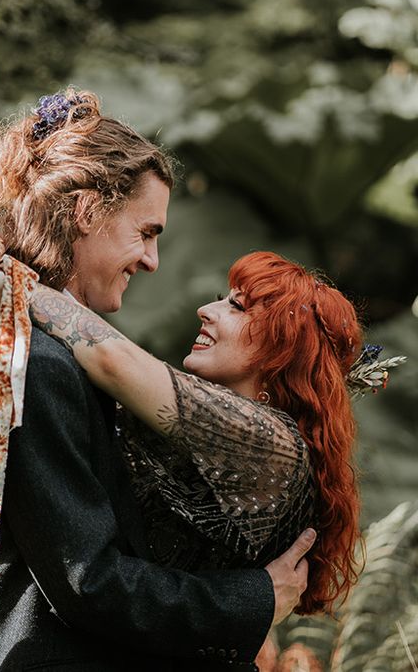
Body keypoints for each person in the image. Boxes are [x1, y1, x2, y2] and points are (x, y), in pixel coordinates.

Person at [0, 89, 315, 671]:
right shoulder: (40, 367)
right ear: (86, 213)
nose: (153, 259)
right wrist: (253, 598)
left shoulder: (25, 349)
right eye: (146, 231)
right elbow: (89, 581)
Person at [28, 251, 362, 616]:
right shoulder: (208, 432)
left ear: (281, 348)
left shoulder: (272, 444)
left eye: (236, 306)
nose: (206, 309)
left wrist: (16, 278)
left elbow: (110, 360)